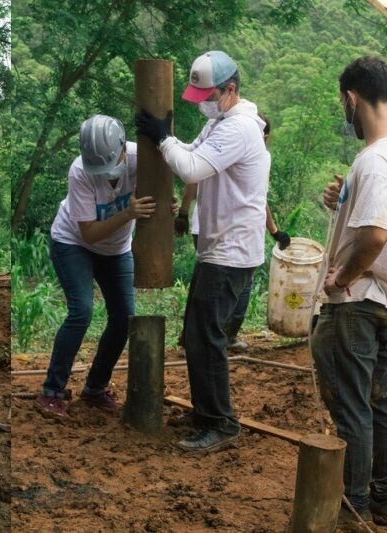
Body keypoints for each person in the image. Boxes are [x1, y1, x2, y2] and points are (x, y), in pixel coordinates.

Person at [136, 51, 270, 452]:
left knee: (204, 337)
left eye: (208, 94)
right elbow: (188, 152)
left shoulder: (240, 128)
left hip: (230, 251)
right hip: (219, 248)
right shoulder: (220, 121)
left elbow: (191, 169)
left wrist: (161, 136)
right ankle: (207, 412)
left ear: (230, 89)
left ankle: (220, 422)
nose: (203, 103)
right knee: (196, 335)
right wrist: (164, 138)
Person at [313, 56, 387, 528]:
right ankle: (386, 500)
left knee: (353, 409)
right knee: (386, 403)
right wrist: (342, 198)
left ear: (351, 98)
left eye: (343, 103)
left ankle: (353, 507)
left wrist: (342, 278)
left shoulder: (372, 161)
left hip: (357, 303)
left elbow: (374, 235)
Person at [34, 114, 159, 419]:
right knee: (82, 311)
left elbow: (161, 189)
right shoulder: (80, 172)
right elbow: (88, 231)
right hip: (73, 243)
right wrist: (128, 214)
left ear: (121, 147)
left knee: (124, 317)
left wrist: (165, 207)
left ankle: (95, 388)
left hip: (116, 249)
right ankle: (51, 390)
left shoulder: (140, 157)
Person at [175, 114, 290, 352]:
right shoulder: (257, 154)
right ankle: (223, 337)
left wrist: (184, 213)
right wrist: (275, 231)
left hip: (205, 227)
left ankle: (192, 335)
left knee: (202, 283)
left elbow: (193, 175)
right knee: (241, 286)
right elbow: (259, 199)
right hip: (231, 235)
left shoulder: (218, 143)